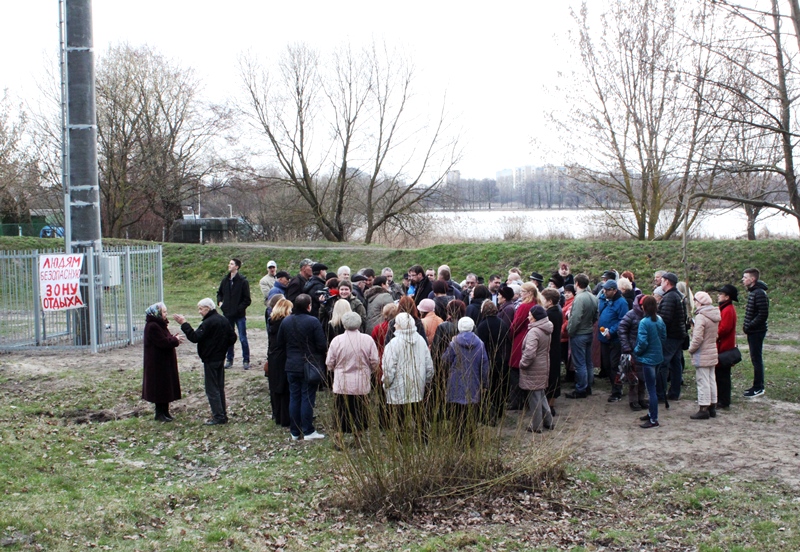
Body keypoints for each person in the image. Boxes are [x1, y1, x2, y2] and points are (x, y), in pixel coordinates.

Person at [174, 298, 237, 425]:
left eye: (201, 309)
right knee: (219, 387)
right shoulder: (223, 320)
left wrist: (184, 324)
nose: (199, 312)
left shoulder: (208, 323)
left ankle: (218, 416)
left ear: (208, 309)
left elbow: (194, 337)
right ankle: (222, 414)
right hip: (220, 358)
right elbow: (233, 337)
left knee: (212, 389)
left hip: (210, 359)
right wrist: (222, 347)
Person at [277, 294, 328, 441]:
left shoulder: (286, 321)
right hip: (308, 364)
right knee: (307, 397)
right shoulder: (313, 322)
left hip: (291, 365)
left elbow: (280, 342)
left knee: (294, 397)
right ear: (309, 306)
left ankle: (294, 431)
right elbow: (321, 344)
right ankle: (307, 430)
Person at [326, 311, 380, 449]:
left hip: (342, 383)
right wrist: (370, 371)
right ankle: (358, 439)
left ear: (344, 324)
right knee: (360, 412)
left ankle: (339, 439)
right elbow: (374, 360)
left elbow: (329, 362)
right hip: (361, 383)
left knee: (341, 411)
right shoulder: (367, 340)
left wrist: (334, 369)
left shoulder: (337, 340)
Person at [382, 313, 434, 439]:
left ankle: (400, 439)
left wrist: (386, 383)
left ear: (401, 326)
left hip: (398, 385)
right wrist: (426, 381)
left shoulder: (393, 344)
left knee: (399, 413)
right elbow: (429, 365)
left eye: (397, 323)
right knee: (418, 412)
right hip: (417, 383)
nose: (394, 325)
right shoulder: (421, 341)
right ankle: (423, 437)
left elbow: (388, 367)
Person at [442, 317, 490, 444]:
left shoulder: (454, 343)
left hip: (455, 383)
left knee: (457, 413)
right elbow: (485, 365)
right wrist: (485, 384)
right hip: (474, 383)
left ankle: (458, 438)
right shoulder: (480, 344)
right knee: (471, 414)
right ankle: (471, 439)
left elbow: (445, 361)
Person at [142, 302, 183, 422]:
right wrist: (175, 340)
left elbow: (166, 339)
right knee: (159, 388)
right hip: (157, 363)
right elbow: (163, 342)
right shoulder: (153, 326)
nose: (166, 314)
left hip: (163, 362)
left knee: (165, 387)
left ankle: (165, 412)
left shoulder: (160, 324)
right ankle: (159, 413)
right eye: (164, 312)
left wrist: (173, 339)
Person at [508, 282, 544, 410]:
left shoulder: (524, 306)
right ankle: (527, 400)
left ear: (529, 293)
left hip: (520, 340)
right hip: (533, 339)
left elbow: (515, 325)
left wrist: (509, 335)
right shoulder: (537, 304)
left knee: (515, 371)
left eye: (523, 292)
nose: (520, 294)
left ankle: (517, 401)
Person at [519, 305, 554, 433]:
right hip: (543, 365)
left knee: (534, 398)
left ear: (535, 317)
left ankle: (536, 426)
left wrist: (522, 364)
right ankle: (548, 421)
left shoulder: (534, 331)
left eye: (530, 315)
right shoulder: (546, 328)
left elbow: (530, 353)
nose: (528, 317)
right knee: (540, 395)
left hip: (533, 368)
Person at [476, 301, 511, 424]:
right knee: (499, 387)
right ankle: (500, 411)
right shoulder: (502, 323)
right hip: (502, 359)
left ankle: (489, 414)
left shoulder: (482, 325)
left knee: (488, 389)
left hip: (488, 359)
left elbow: (480, 345)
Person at [688, 291, 720, 420]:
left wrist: (691, 349)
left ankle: (703, 407)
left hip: (702, 352)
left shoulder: (701, 316)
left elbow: (698, 338)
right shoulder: (714, 315)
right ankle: (712, 405)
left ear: (699, 302)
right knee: (711, 379)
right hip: (712, 350)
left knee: (703, 381)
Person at [635, 296, 666, 429]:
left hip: (648, 360)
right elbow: (664, 337)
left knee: (651, 389)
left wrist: (636, 351)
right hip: (658, 357)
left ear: (644, 307)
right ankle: (651, 413)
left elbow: (642, 342)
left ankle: (653, 419)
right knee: (652, 387)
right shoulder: (659, 320)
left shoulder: (644, 322)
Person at [566, 274, 598, 399]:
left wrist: (570, 330)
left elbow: (576, 318)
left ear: (577, 283)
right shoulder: (593, 297)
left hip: (579, 334)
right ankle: (588, 386)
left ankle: (581, 389)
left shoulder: (579, 298)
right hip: (589, 332)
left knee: (580, 363)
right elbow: (596, 315)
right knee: (588, 362)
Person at [656, 272, 687, 402]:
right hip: (679, 334)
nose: (660, 283)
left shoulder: (669, 297)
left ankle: (661, 394)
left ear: (667, 282)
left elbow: (665, 319)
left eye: (662, 281)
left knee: (662, 365)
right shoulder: (679, 295)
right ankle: (674, 392)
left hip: (671, 336)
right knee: (675, 364)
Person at [597, 279, 629, 403]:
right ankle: (614, 386)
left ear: (614, 290)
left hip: (615, 339)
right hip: (603, 338)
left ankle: (617, 390)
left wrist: (612, 330)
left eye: (607, 290)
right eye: (603, 289)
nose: (604, 291)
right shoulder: (604, 300)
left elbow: (623, 320)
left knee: (614, 365)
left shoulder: (622, 303)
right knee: (606, 364)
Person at [216, 258, 252, 370]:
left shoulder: (243, 281)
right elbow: (219, 293)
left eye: (231, 264)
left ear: (237, 266)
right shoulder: (225, 280)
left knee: (242, 338)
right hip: (227, 315)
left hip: (239, 315)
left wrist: (238, 309)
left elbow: (247, 299)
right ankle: (229, 359)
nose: (229, 265)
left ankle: (246, 360)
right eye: (229, 263)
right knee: (229, 337)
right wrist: (220, 303)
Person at [742, 267, 769, 398]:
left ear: (752, 279)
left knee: (756, 359)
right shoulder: (754, 292)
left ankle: (759, 387)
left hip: (757, 331)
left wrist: (750, 326)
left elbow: (763, 314)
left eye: (745, 277)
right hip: (753, 330)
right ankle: (756, 385)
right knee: (755, 358)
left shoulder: (759, 293)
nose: (743, 280)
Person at [618, 294, 648, 411]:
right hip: (632, 350)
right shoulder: (631, 314)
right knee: (633, 377)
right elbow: (622, 329)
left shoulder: (649, 315)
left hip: (643, 350)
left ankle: (641, 398)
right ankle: (633, 401)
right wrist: (626, 347)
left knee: (643, 377)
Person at [267, 298, 292, 427]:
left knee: (276, 389)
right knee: (285, 389)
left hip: (273, 357)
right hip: (283, 357)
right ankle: (285, 417)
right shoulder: (285, 324)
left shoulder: (272, 322)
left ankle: (278, 416)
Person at [715, 284, 739, 408]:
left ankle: (724, 400)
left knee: (723, 375)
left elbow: (724, 328)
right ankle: (721, 398)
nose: (718, 296)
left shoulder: (728, 309)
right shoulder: (725, 308)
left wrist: (715, 333)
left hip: (724, 346)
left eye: (721, 294)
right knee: (720, 374)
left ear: (727, 297)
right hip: (722, 345)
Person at [541, 288, 563, 416]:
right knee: (554, 374)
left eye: (543, 299)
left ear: (549, 301)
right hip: (555, 346)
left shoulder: (550, 314)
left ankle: (550, 404)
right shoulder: (557, 311)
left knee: (551, 375)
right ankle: (551, 403)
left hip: (551, 347)